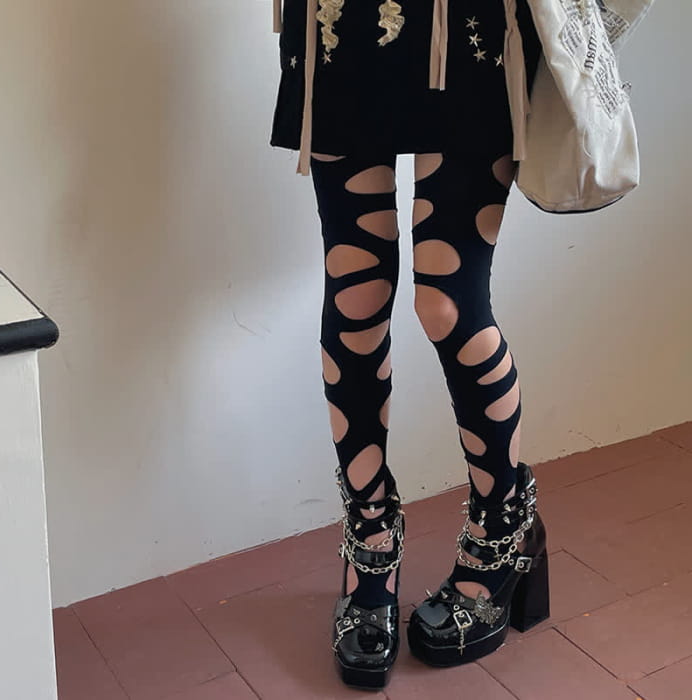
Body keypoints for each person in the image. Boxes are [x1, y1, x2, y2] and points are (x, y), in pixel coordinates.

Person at [269, 0, 550, 689]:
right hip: (342, 24)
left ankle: (502, 530)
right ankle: (370, 536)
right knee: (356, 292)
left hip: (474, 23)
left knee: (449, 302)